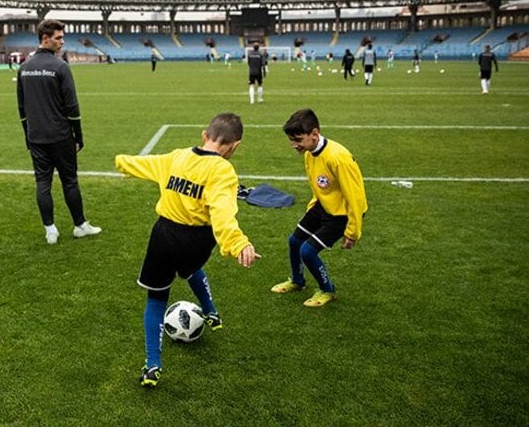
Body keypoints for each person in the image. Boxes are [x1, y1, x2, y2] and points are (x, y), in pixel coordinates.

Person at [115, 112, 260, 388]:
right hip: (196, 241)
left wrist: (122, 162)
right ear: (234, 146)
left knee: (156, 299)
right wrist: (237, 243)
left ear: (204, 135)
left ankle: (152, 366)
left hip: (163, 235)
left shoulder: (177, 156)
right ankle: (212, 311)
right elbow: (222, 213)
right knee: (190, 267)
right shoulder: (223, 171)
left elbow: (146, 164)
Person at [271, 108, 367, 308]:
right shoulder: (309, 153)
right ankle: (298, 281)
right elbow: (319, 184)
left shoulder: (338, 158)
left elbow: (355, 197)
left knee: (307, 251)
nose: (294, 145)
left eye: (298, 140)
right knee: (294, 241)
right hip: (323, 207)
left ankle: (327, 290)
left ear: (314, 134)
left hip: (342, 214)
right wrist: (312, 206)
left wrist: (352, 232)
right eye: (292, 140)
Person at [16, 19, 101, 245]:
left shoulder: (24, 68)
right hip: (60, 136)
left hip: (36, 137)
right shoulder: (60, 67)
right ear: (45, 39)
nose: (62, 42)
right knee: (69, 181)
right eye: (58, 38)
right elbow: (72, 108)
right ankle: (80, 225)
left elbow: (22, 109)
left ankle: (50, 230)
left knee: (42, 183)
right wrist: (78, 137)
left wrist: (28, 136)